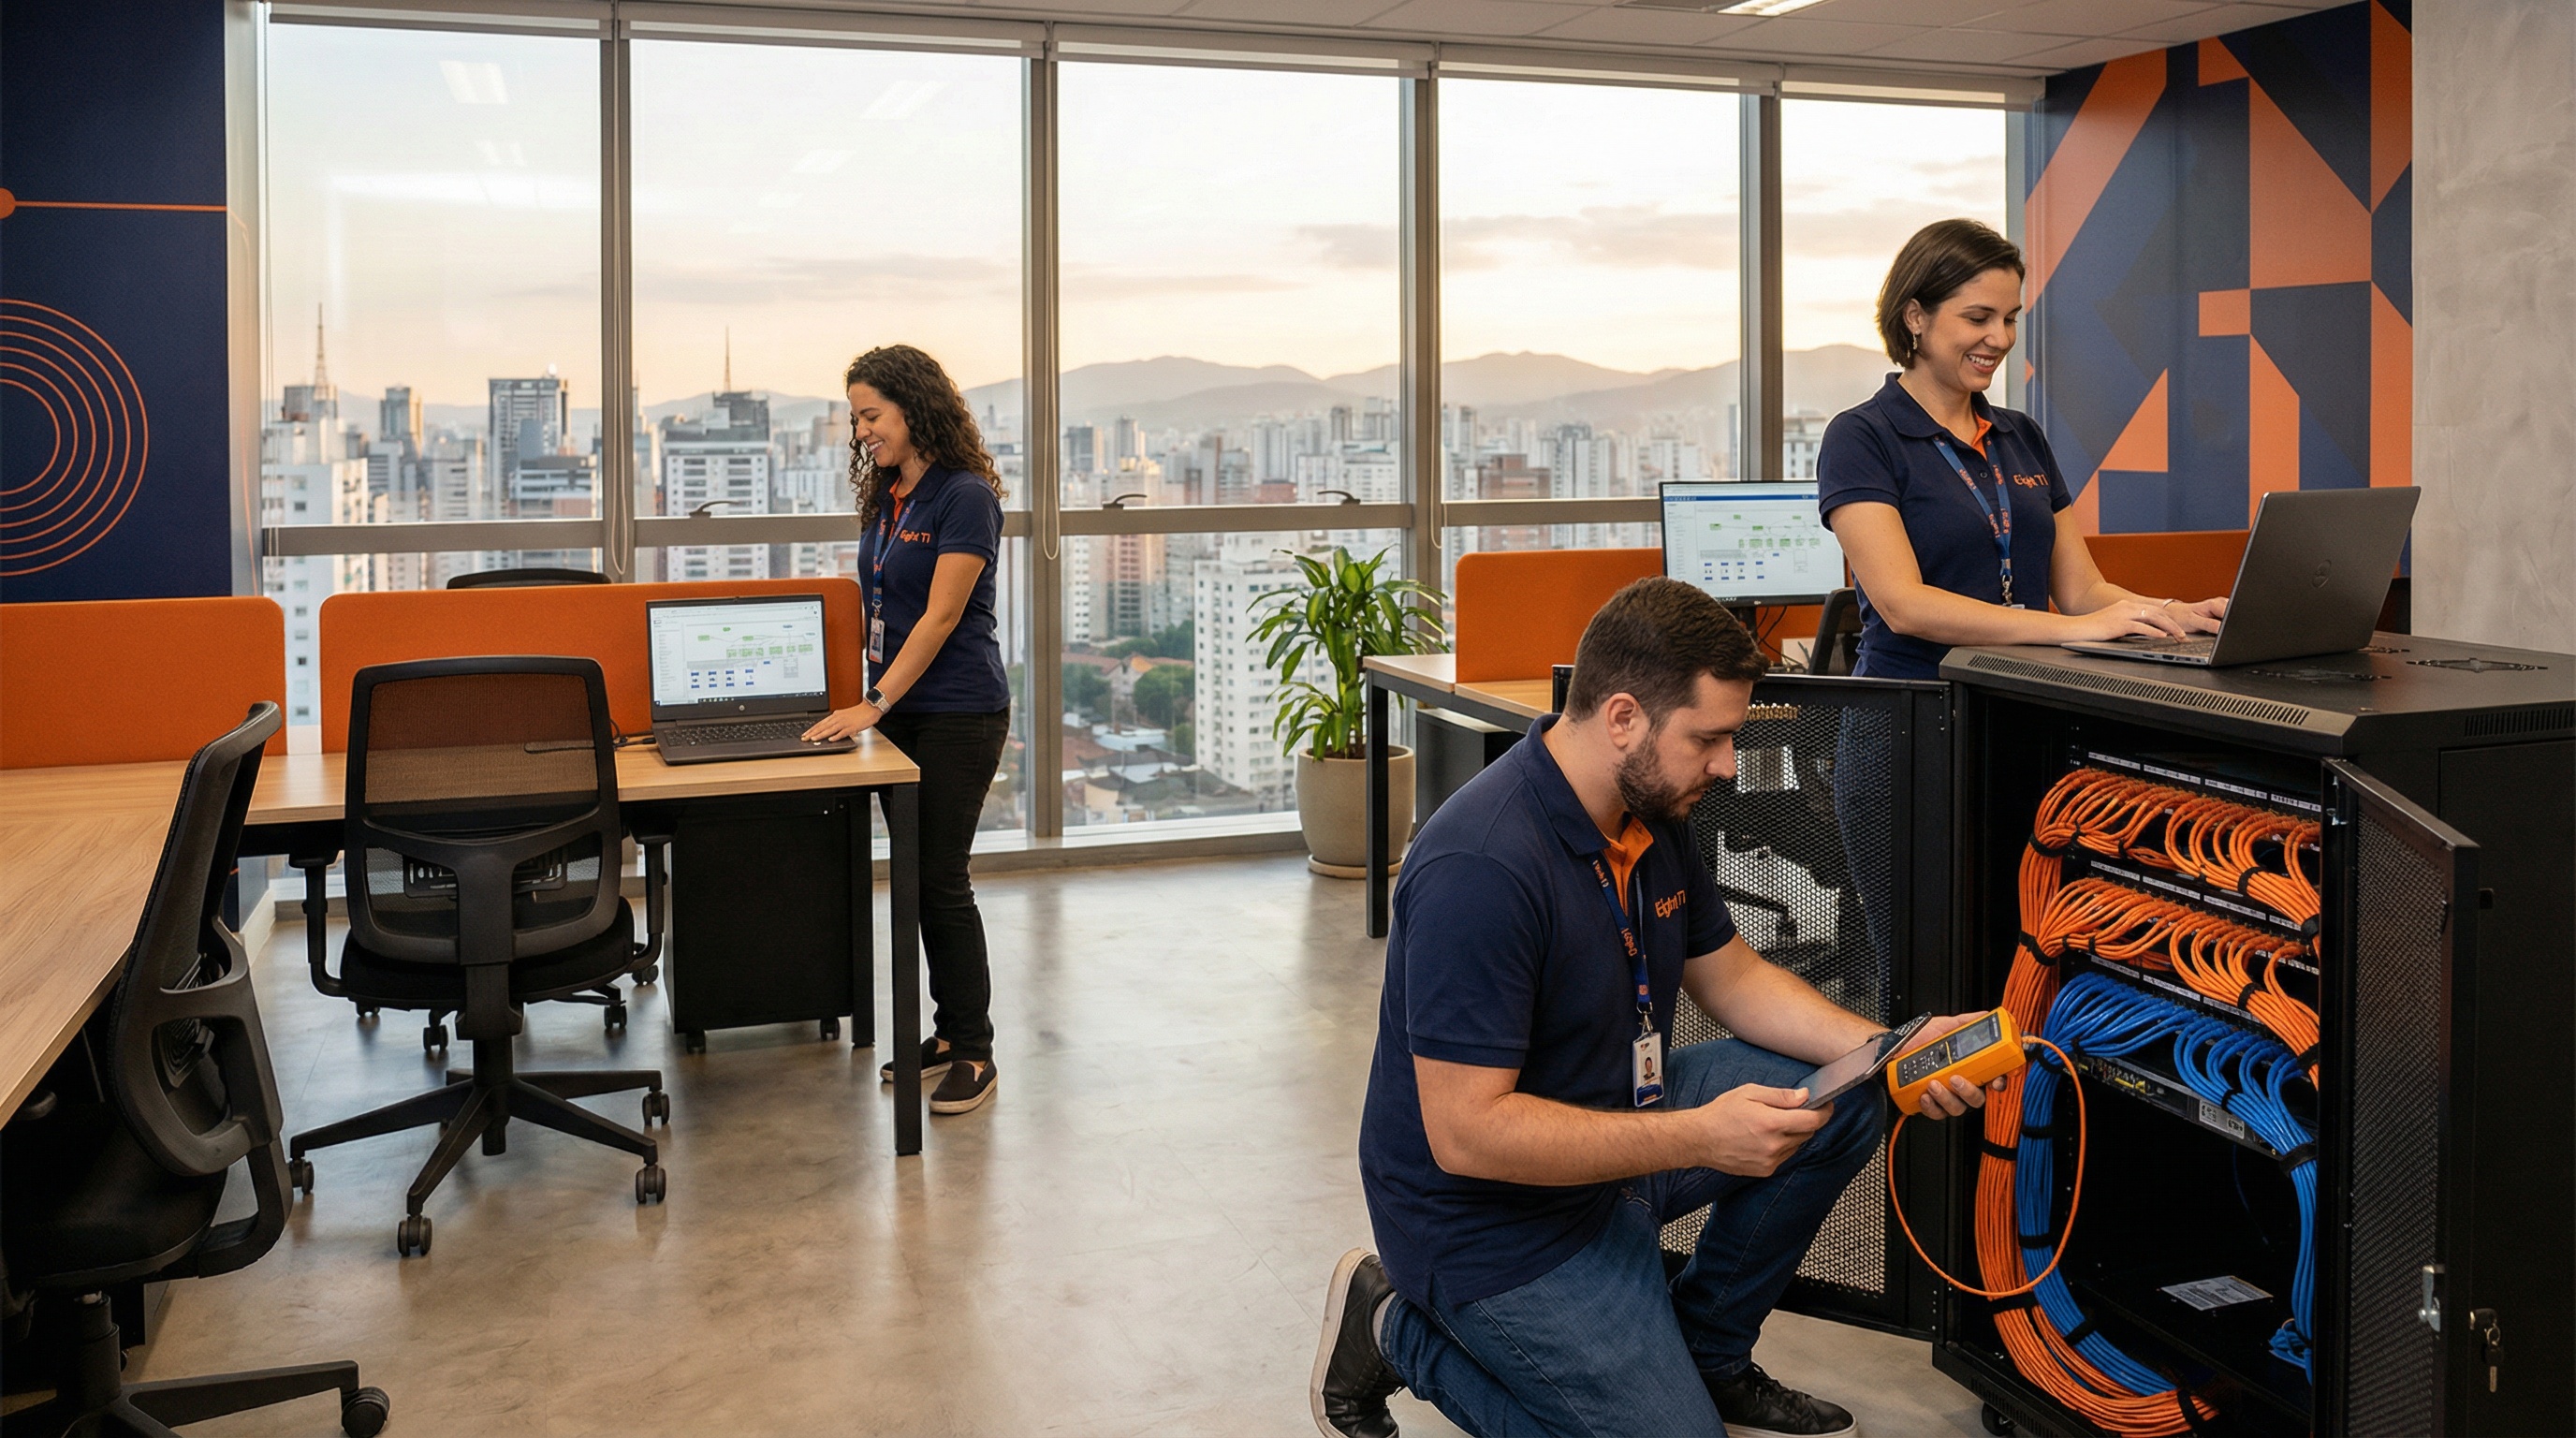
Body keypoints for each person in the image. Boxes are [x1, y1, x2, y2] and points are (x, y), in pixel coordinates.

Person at [1312, 579, 2004, 1438]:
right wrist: (1702, 1135)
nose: (1726, 767)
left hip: (1614, 1135)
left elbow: (1736, 980)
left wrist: (1893, 1045)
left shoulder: (1647, 811)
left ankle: (1709, 1354)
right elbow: (1467, 1134)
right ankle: (1396, 1327)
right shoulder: (1480, 867)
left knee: (1846, 1086)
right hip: (1488, 1224)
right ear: (1624, 718)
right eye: (1709, 739)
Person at [1817, 217, 2228, 682]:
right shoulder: (1861, 436)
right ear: (1915, 317)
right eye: (1978, 318)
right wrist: (2072, 629)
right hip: (1913, 716)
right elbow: (1903, 606)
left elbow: (2083, 591)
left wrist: (2174, 614)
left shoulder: (2021, 435)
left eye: (2010, 319)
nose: (2001, 338)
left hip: (2022, 699)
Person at [805, 344, 1011, 1116]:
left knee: (941, 881)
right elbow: (881, 600)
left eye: (871, 416)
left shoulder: (966, 497)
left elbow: (943, 616)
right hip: (904, 710)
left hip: (960, 712)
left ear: (915, 409)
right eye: (856, 419)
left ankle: (978, 1049)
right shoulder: (890, 496)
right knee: (917, 881)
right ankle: (950, 1033)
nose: (861, 432)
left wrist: (875, 703)